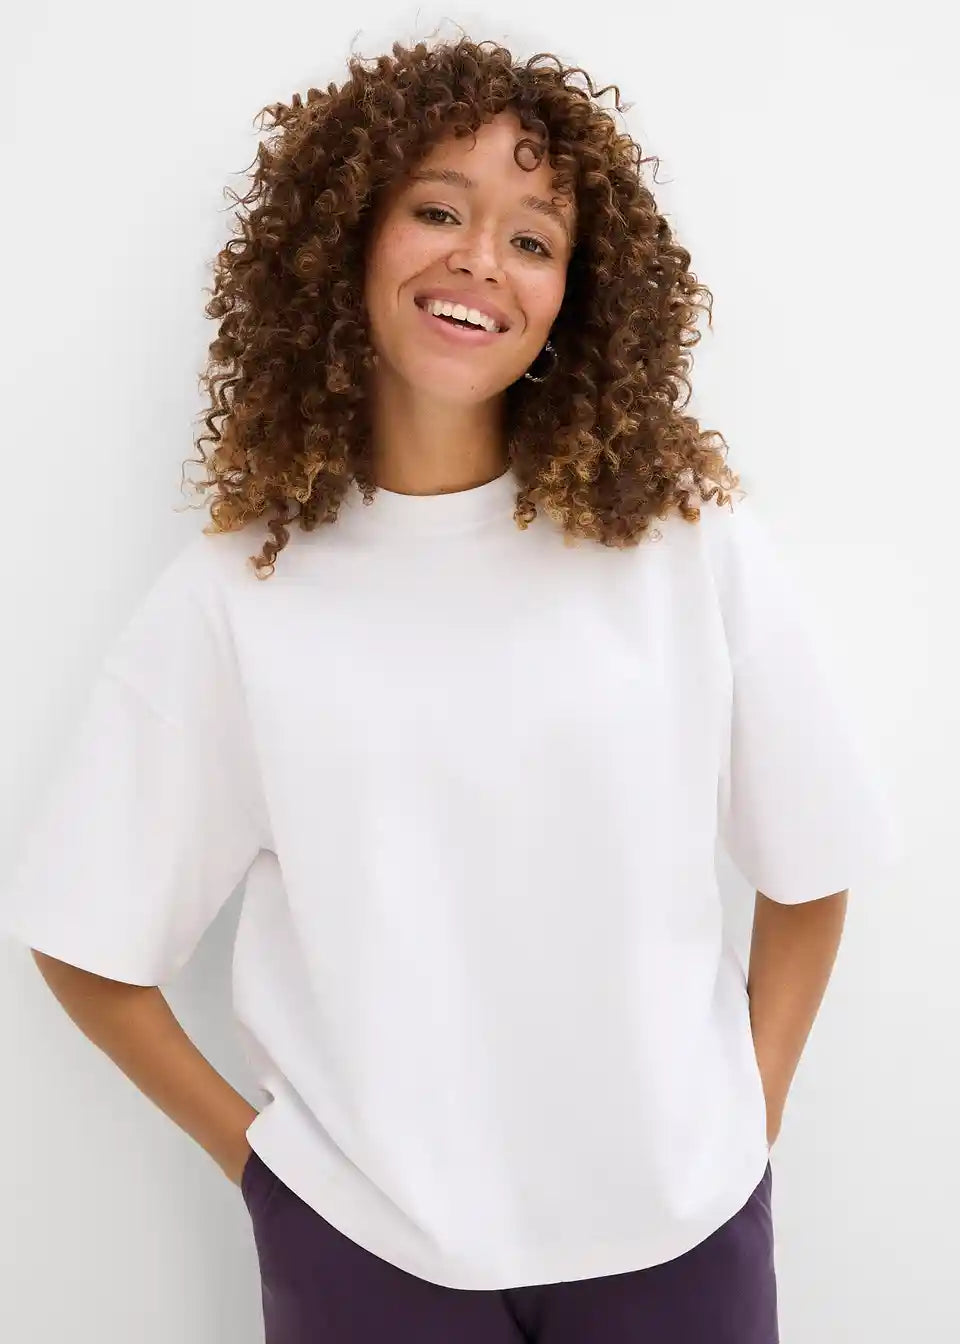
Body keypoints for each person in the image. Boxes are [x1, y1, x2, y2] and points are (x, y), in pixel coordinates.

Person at [2, 34, 900, 1344]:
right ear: (345, 242)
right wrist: (269, 1180)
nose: (482, 259)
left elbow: (812, 866)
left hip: (681, 1233)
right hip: (369, 1256)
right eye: (437, 211)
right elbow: (87, 938)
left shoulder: (680, 544)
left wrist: (743, 1128)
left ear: (574, 298)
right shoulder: (238, 595)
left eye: (533, 238)